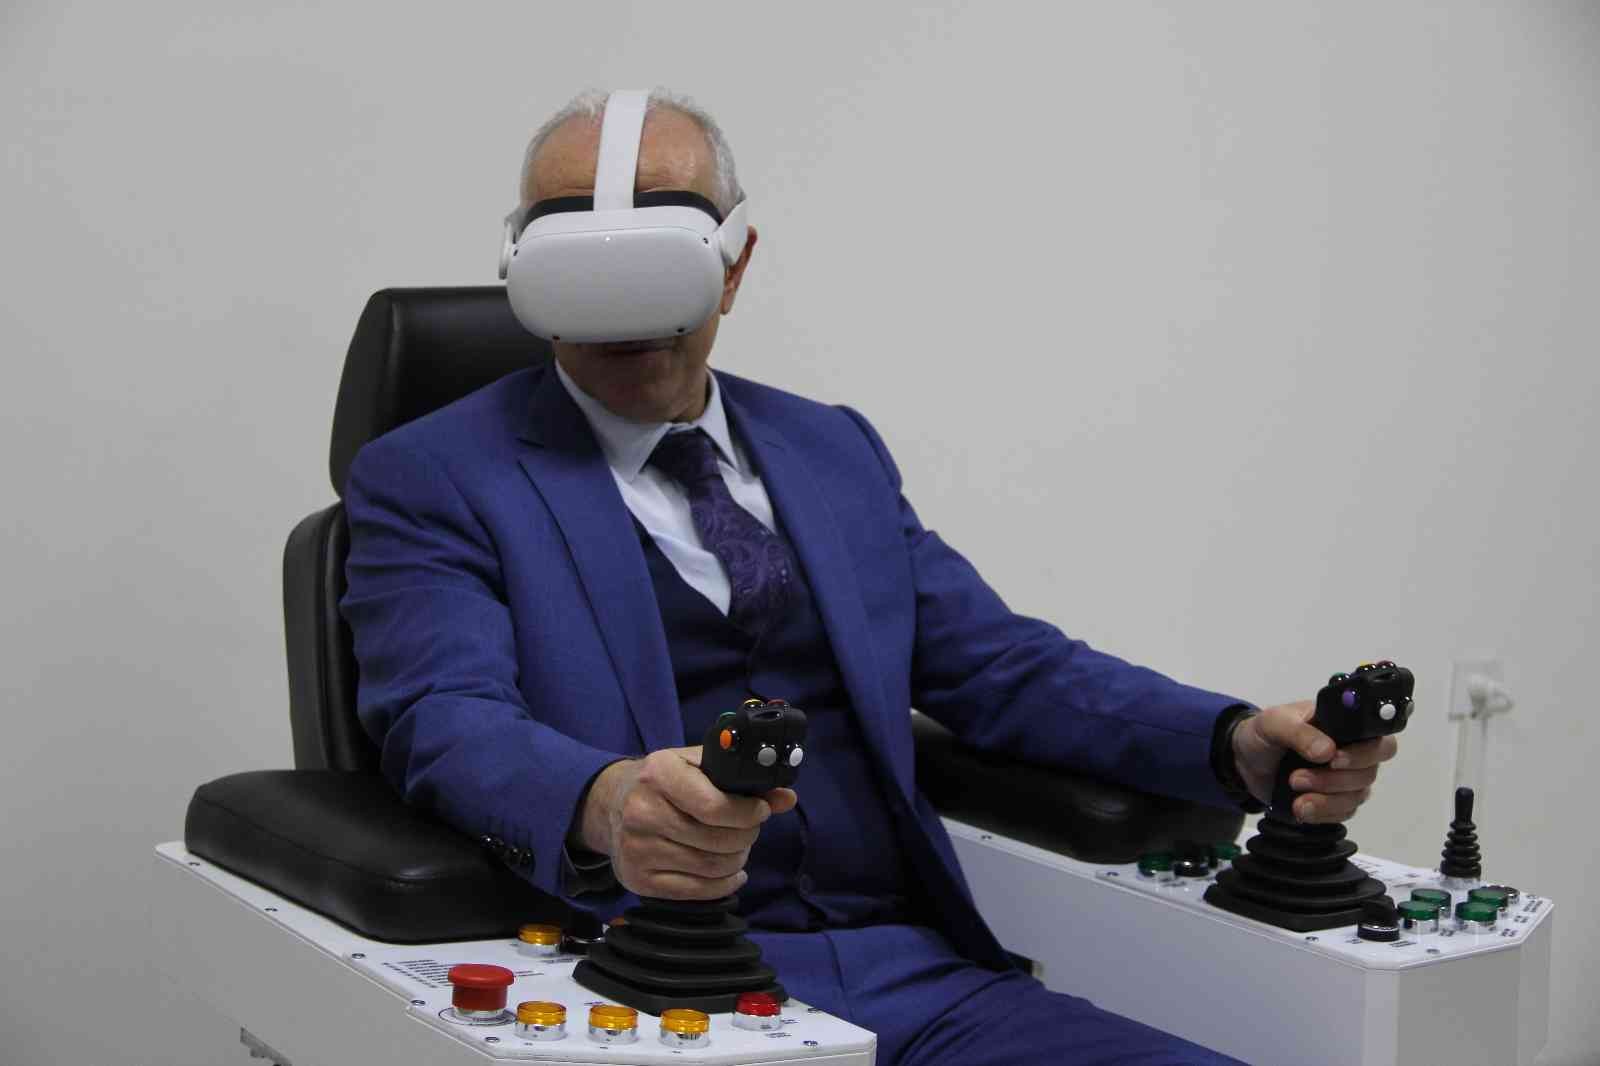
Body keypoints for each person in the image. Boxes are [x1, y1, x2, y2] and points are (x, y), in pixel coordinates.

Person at [341, 88, 1398, 1065]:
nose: (624, 312)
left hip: (911, 973)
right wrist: (604, 802)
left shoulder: (830, 451)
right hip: (647, 978)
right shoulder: (435, 475)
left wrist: (1228, 742)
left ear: (733, 265)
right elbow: (444, 716)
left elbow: (1003, 667)